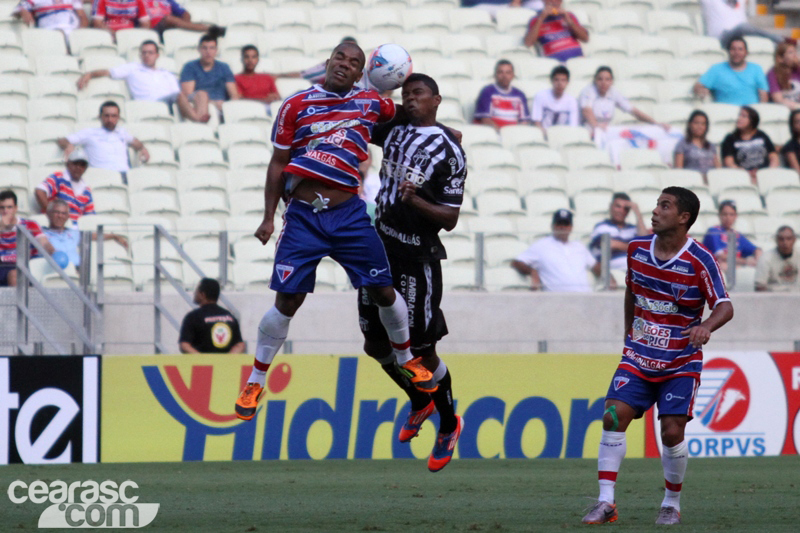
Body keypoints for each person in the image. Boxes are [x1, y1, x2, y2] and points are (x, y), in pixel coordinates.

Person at [233, 42, 435, 425]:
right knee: (287, 301)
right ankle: (256, 380)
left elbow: (410, 114)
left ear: (362, 73)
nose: (345, 64)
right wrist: (268, 216)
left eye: (354, 62)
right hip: (304, 217)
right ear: (327, 63)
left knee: (383, 290)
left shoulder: (372, 104)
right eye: (340, 58)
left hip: (348, 215)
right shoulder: (295, 105)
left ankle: (408, 360)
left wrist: (442, 131)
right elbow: (278, 164)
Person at [581, 186, 734, 526]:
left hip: (680, 361)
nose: (655, 211)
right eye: (656, 205)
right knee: (612, 416)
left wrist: (706, 325)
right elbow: (631, 291)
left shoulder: (700, 259)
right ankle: (606, 502)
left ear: (683, 218)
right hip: (638, 356)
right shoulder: (636, 249)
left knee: (670, 432)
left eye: (665, 206)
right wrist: (627, 333)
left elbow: (725, 305)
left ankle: (671, 503)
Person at [359, 73, 467, 472]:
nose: (410, 100)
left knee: (421, 352)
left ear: (436, 99)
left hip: (416, 257)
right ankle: (420, 400)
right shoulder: (397, 130)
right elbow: (361, 116)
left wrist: (417, 201)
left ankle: (449, 424)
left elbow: (451, 218)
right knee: (375, 345)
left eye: (418, 94)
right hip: (378, 247)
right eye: (406, 95)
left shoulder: (450, 153)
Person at [511, 209, 601, 292]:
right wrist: (532, 271)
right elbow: (516, 263)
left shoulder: (579, 247)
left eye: (566, 224)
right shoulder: (541, 245)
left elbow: (595, 266)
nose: (562, 227)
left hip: (585, 299)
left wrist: (609, 278)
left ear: (571, 227)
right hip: (558, 301)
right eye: (559, 223)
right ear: (553, 226)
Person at [57, 101, 149, 181]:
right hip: (101, 176)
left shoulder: (122, 133)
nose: (110, 119)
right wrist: (68, 145)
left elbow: (136, 142)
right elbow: (62, 140)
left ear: (118, 118)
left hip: (124, 175)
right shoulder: (90, 133)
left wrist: (142, 148)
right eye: (106, 116)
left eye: (113, 116)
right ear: (100, 116)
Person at [77, 40, 180, 105]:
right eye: (144, 53)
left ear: (157, 55)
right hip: (150, 103)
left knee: (195, 95)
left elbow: (176, 93)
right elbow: (108, 72)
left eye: (150, 53)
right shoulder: (133, 68)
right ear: (140, 55)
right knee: (182, 96)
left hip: (171, 103)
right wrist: (90, 74)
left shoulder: (166, 74)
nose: (147, 55)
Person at [42, 198, 127, 270]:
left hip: (77, 274)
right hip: (54, 271)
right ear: (48, 214)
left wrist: (114, 236)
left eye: (63, 213)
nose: (60, 216)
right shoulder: (41, 233)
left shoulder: (73, 233)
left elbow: (93, 236)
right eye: (56, 212)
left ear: (68, 217)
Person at [580, 66, 664, 135]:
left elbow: (633, 111)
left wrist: (655, 123)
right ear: (595, 80)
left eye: (607, 79)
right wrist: (596, 127)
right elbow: (586, 110)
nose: (603, 82)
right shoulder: (588, 91)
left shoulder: (613, 92)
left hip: (603, 129)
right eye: (600, 79)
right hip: (587, 128)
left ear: (612, 81)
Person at [177, 34, 239, 123]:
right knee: (202, 94)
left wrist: (227, 107)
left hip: (221, 107)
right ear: (199, 49)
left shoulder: (224, 67)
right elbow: (188, 93)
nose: (208, 52)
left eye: (212, 48)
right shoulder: (190, 67)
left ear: (216, 50)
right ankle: (201, 121)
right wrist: (212, 103)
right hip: (199, 103)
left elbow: (234, 94)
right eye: (204, 48)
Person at [0, 190, 55, 287]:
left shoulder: (30, 224)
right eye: (2, 208)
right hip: (2, 266)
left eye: (9, 207)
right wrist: (2, 227)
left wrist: (50, 248)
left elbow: (43, 241)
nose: (6, 211)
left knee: (15, 274)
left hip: (24, 265)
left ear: (16, 208)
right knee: (14, 274)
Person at [694, 37, 769, 106]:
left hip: (750, 114)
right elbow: (698, 86)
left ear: (746, 53)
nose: (736, 52)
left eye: (740, 49)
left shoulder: (756, 69)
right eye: (733, 49)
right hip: (726, 113)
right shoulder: (716, 69)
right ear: (728, 51)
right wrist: (702, 91)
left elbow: (763, 95)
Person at [179, 278, 245, 353]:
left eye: (196, 291)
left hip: (201, 364)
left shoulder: (193, 317)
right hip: (224, 364)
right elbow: (239, 345)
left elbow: (185, 345)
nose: (194, 293)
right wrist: (228, 360)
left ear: (202, 295)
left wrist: (202, 360)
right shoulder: (229, 316)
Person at [589, 193, 648, 271]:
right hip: (612, 270)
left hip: (635, 269)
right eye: (618, 206)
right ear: (611, 207)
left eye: (626, 208)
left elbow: (646, 244)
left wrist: (637, 212)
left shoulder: (633, 228)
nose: (621, 211)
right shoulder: (602, 226)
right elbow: (608, 244)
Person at [721, 106, 779, 184]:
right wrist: (746, 174)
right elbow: (729, 162)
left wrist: (767, 172)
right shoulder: (730, 139)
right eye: (739, 115)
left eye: (744, 116)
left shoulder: (762, 135)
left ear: (752, 120)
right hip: (741, 177)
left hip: (765, 175)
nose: (739, 119)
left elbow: (773, 157)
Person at [35, 148, 94, 223]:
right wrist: (51, 215)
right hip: (55, 227)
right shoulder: (59, 178)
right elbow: (39, 192)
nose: (78, 167)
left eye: (82, 165)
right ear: (68, 164)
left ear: (85, 168)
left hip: (76, 230)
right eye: (75, 163)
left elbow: (90, 217)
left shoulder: (86, 190)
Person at [703, 199, 762, 271]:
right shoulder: (713, 232)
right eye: (725, 214)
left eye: (731, 214)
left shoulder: (737, 235)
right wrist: (746, 262)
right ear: (719, 215)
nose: (728, 218)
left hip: (736, 268)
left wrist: (757, 261)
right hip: (713, 270)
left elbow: (757, 250)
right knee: (723, 266)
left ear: (735, 216)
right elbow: (721, 256)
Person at [700, 0, 786, 49]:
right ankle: (780, 39)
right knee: (743, 27)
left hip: (742, 36)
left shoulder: (739, 2)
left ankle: (777, 43)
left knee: (765, 43)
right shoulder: (711, 2)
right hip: (721, 37)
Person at [474, 59, 531, 130]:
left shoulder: (520, 95)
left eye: (508, 73)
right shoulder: (487, 92)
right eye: (500, 72)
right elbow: (485, 120)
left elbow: (524, 121)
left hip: (514, 135)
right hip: (494, 135)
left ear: (513, 75)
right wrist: (503, 134)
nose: (504, 76)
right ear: (495, 75)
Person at [523, 0, 588, 62]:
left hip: (578, 60)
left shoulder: (569, 16)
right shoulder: (536, 19)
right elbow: (528, 43)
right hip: (556, 64)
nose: (553, 1)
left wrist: (569, 22)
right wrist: (541, 18)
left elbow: (585, 38)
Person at [673, 110, 720, 177]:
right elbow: (678, 170)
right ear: (690, 124)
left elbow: (718, 168)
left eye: (703, 124)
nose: (699, 127)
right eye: (696, 123)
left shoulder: (711, 146)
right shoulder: (682, 145)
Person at [532, 65, 580, 131]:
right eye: (556, 80)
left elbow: (573, 126)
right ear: (551, 81)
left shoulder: (572, 101)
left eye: (563, 80)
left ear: (567, 82)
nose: (559, 83)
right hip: (543, 134)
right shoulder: (540, 96)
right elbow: (536, 122)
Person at [13, 0, 88, 39]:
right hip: (48, 31)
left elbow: (83, 18)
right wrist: (23, 11)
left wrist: (78, 35)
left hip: (71, 30)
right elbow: (18, 10)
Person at [144, 0, 225, 37]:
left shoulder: (167, 0)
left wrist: (183, 25)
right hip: (153, 27)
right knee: (169, 19)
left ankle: (201, 29)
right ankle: (208, 29)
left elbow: (185, 14)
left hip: (169, 26)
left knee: (172, 20)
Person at [755, 225, 800, 291]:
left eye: (789, 239)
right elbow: (759, 287)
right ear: (776, 240)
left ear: (794, 240)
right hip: (774, 298)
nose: (785, 243)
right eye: (781, 239)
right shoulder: (766, 258)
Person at [767, 42, 800, 109]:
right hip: (785, 108)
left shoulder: (797, 69)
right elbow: (778, 99)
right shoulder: (773, 74)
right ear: (780, 59)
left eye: (795, 52)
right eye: (791, 52)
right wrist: (797, 106)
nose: (795, 55)